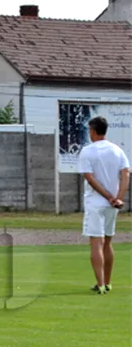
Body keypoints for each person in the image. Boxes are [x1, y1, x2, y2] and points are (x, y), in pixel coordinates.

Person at [78, 116, 129, 294]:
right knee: (107, 242)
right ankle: (107, 282)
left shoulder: (87, 151)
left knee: (96, 243)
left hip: (95, 202)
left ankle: (100, 284)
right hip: (112, 204)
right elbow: (125, 174)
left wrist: (108, 196)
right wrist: (118, 197)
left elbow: (90, 178)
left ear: (92, 130)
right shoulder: (117, 150)